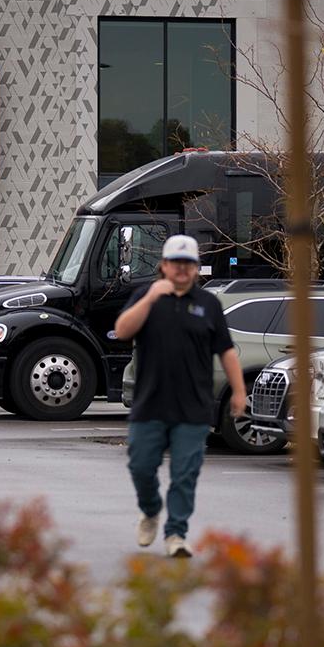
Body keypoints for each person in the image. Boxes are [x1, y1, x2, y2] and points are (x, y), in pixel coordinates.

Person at [114, 234, 247, 558]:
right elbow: (121, 330)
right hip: (150, 404)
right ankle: (151, 510)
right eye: (176, 263)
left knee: (184, 474)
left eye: (188, 264)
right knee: (141, 467)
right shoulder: (145, 295)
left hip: (193, 407)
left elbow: (226, 351)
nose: (182, 270)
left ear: (196, 268)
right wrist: (149, 300)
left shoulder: (209, 305)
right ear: (164, 266)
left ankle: (176, 534)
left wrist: (239, 392)